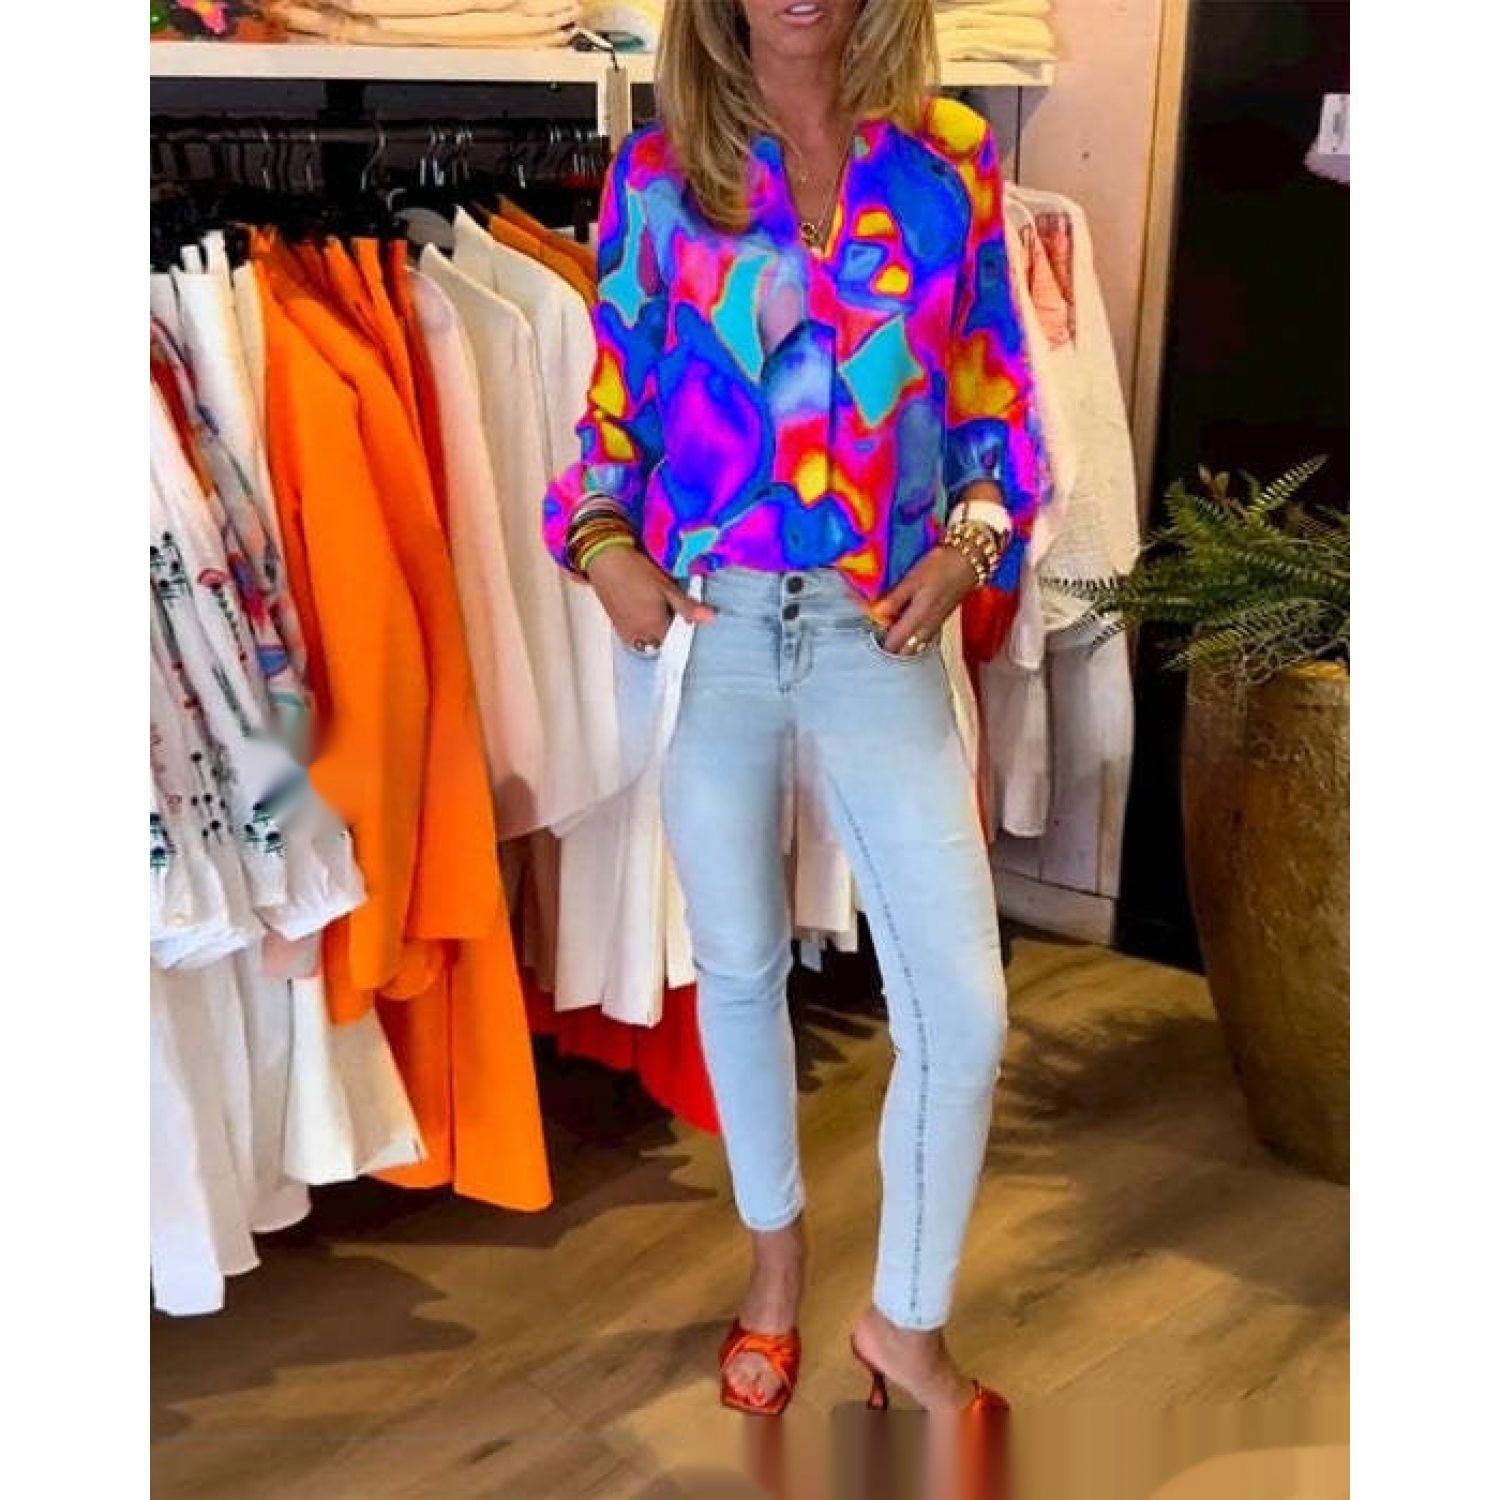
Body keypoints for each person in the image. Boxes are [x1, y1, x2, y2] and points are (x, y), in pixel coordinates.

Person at [543, 0, 1046, 1418]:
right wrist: (604, 548)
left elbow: (994, 402)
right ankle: (776, 1266)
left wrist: (974, 544)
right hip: (716, 631)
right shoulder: (658, 174)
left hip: (880, 628)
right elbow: (610, 419)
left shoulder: (948, 159)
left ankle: (905, 1326)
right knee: (742, 969)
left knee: (963, 1008)